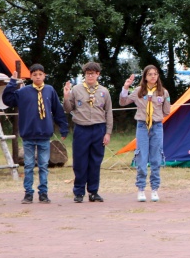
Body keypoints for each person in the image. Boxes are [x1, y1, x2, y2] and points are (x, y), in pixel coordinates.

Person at [2, 64, 69, 204]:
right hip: (28, 135)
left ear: (44, 75)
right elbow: (7, 100)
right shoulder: (24, 92)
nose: (38, 77)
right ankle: (28, 193)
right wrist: (12, 83)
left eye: (40, 74)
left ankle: (43, 193)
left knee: (44, 165)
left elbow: (57, 110)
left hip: (44, 134)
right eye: (34, 74)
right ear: (31, 76)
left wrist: (63, 127)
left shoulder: (50, 90)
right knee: (29, 165)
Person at [63, 62, 113, 203]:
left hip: (99, 128)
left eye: (93, 73)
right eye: (88, 73)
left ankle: (93, 191)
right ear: (84, 74)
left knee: (95, 161)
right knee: (80, 162)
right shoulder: (77, 90)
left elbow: (108, 112)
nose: (90, 76)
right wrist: (66, 97)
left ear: (98, 74)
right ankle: (79, 192)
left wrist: (108, 132)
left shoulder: (104, 91)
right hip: (82, 128)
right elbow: (68, 109)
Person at [120, 65, 171, 202]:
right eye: (150, 74)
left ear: (158, 76)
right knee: (141, 157)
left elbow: (167, 111)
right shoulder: (138, 91)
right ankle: (141, 189)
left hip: (157, 126)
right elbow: (123, 102)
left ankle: (154, 189)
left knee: (156, 157)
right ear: (145, 77)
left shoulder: (163, 92)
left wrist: (157, 115)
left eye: (155, 74)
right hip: (142, 126)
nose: (153, 76)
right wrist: (126, 87)